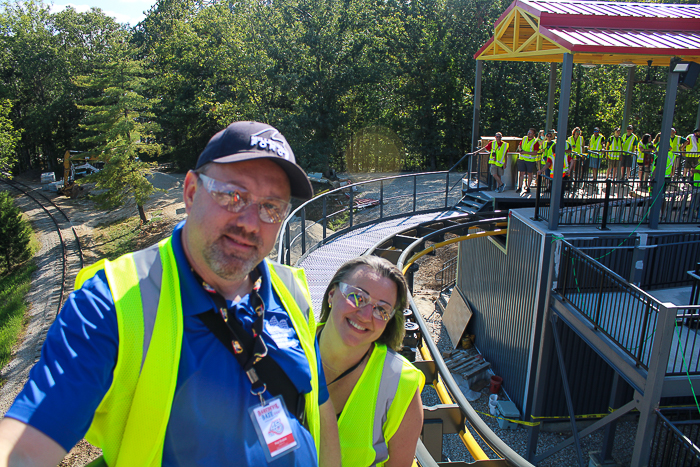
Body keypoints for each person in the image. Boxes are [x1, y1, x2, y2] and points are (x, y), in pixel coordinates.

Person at [0, 121, 341, 466]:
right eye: (233, 195)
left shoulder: (291, 292)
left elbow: (320, 409)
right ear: (191, 192)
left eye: (272, 207)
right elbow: (25, 447)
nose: (252, 223)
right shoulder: (114, 303)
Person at [318, 256, 424, 467]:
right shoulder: (287, 349)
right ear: (332, 294)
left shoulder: (400, 383)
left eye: (381, 309)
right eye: (357, 297)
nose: (366, 315)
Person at [516, 128, 540, 193]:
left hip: (530, 160)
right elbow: (519, 145)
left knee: (530, 174)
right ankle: (520, 187)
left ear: (534, 134)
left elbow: (535, 152)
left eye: (530, 133)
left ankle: (528, 187)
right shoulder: (524, 138)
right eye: (528, 132)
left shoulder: (535, 141)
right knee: (521, 173)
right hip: (522, 159)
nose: (528, 134)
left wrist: (525, 152)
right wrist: (520, 150)